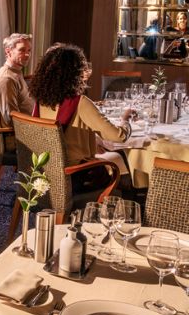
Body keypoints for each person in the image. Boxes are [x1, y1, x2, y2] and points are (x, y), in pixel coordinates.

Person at [28, 44, 134, 205]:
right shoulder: (80, 103)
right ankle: (126, 208)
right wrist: (125, 120)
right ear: (75, 73)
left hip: (43, 171)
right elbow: (118, 136)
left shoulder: (41, 100)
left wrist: (94, 140)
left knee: (115, 158)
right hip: (77, 177)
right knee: (124, 169)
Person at [0, 33, 35, 127]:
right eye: (21, 50)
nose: (27, 54)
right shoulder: (6, 79)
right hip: (25, 134)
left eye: (29, 50)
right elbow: (11, 119)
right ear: (8, 52)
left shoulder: (16, 72)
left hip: (33, 124)